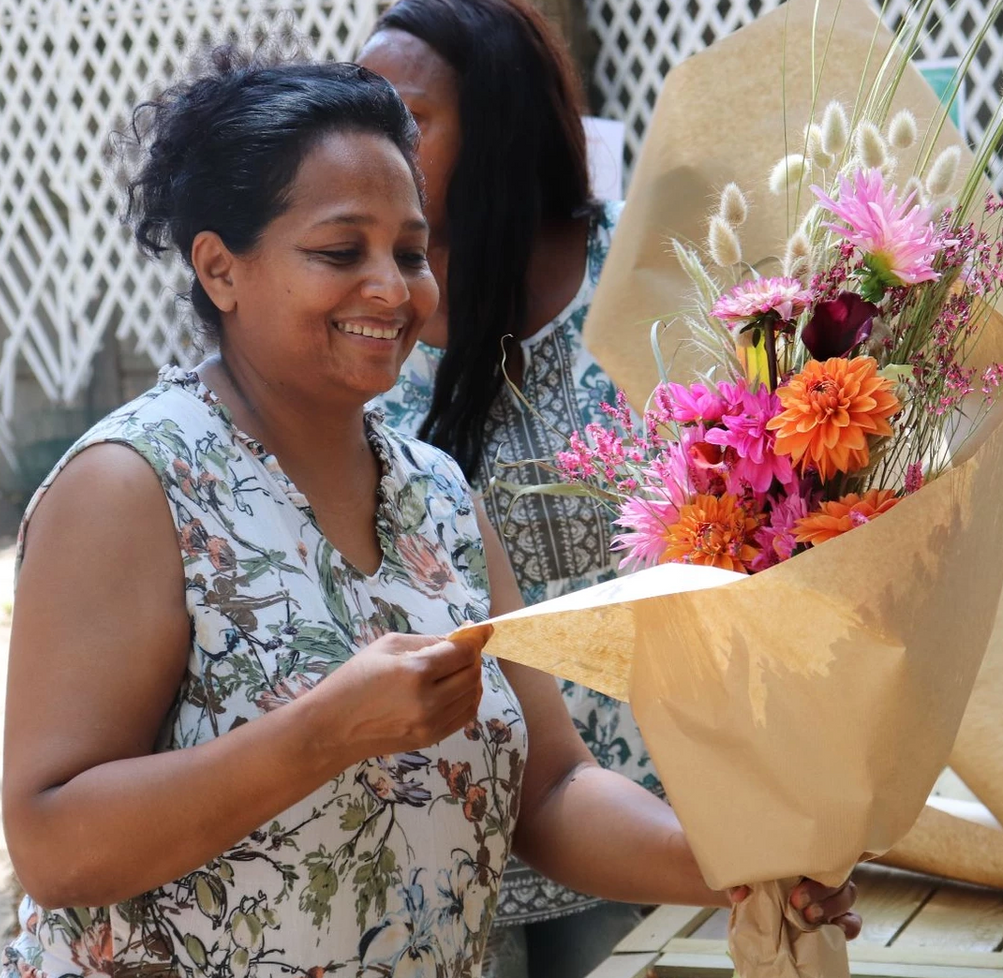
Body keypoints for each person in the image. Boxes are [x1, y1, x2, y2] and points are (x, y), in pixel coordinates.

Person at [0, 49, 859, 978]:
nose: (393, 288)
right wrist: (324, 730)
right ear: (220, 269)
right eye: (339, 251)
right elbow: (52, 845)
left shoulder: (439, 495)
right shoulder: (133, 487)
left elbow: (552, 790)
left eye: (411, 253)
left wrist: (735, 863)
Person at [357, 2, 662, 972]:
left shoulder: (644, 273)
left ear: (496, 124)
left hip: (659, 822)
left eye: (402, 119)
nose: (368, 144)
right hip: (455, 843)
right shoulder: (359, 324)